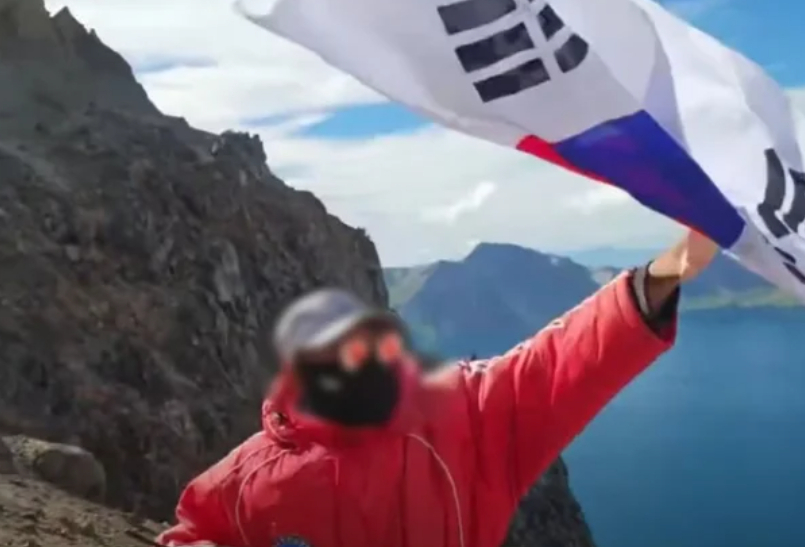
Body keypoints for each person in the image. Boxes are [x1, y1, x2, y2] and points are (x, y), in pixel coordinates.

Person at [157, 229, 718, 547]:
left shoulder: (468, 416)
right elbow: (191, 532)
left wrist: (661, 276)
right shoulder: (249, 472)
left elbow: (561, 360)